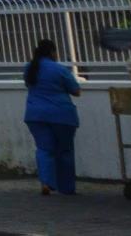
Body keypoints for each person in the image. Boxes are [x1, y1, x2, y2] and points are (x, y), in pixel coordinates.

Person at [22, 38, 80, 197]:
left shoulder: (29, 68)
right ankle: (67, 188)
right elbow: (76, 91)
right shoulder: (60, 70)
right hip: (62, 115)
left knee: (44, 149)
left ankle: (46, 182)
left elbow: (29, 85)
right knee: (65, 151)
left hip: (35, 114)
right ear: (52, 52)